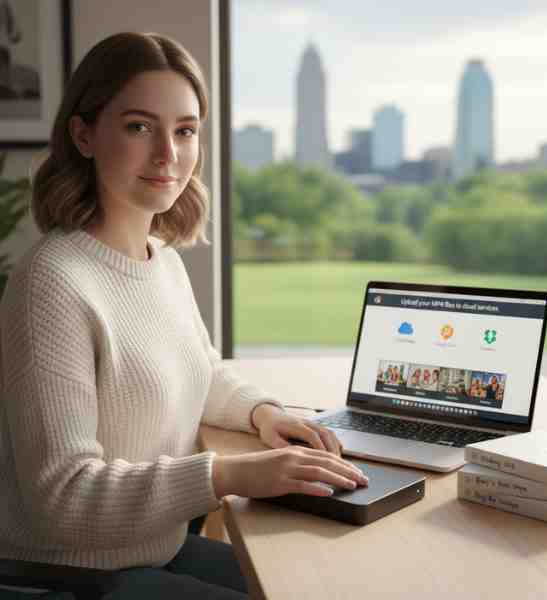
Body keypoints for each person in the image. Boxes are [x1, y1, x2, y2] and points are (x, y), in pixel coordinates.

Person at [0, 32, 369, 599]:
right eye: (139, 127)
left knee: (323, 584)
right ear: (84, 134)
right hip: (68, 574)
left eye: (185, 130)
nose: (168, 155)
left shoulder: (160, 260)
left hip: (153, 548)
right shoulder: (53, 282)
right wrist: (231, 473)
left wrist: (263, 414)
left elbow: (194, 367)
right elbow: (63, 499)